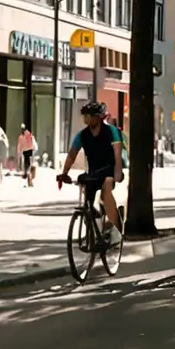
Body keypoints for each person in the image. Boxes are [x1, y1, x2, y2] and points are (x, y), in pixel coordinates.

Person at [59, 102, 124, 245]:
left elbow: (118, 154)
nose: (85, 119)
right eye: (85, 116)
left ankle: (117, 232)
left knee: (106, 192)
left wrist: (118, 172)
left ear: (98, 117)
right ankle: (97, 225)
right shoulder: (82, 135)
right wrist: (64, 173)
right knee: (87, 199)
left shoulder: (112, 132)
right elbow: (72, 155)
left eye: (89, 116)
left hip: (110, 169)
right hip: (93, 172)